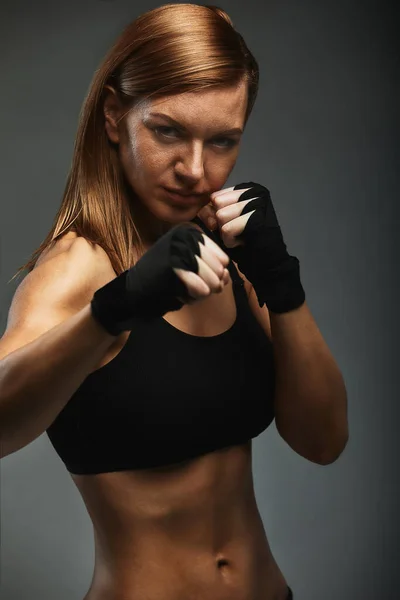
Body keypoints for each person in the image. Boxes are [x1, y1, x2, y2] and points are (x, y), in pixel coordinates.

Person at [0, 4, 349, 599]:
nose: (195, 170)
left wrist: (280, 282)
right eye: (167, 131)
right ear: (115, 117)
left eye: (222, 141)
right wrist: (114, 308)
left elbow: (323, 441)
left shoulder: (229, 257)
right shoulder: (77, 269)